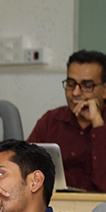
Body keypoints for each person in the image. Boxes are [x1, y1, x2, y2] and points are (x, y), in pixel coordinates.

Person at [28, 49, 106, 192]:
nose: (76, 93)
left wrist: (98, 124)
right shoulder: (51, 121)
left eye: (87, 86)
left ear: (105, 90)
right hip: (55, 205)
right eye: (71, 84)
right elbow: (24, 171)